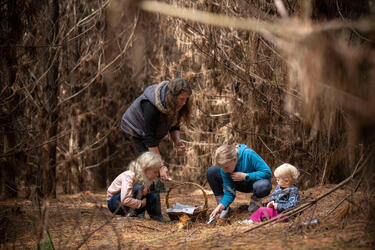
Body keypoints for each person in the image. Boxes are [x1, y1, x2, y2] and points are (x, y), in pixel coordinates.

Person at [120, 78, 192, 181]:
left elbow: (174, 124)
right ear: (172, 97)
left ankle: (154, 194)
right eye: (182, 99)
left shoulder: (177, 104)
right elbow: (150, 138)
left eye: (186, 99)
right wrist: (161, 166)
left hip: (149, 135)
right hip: (134, 130)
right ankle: (139, 194)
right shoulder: (151, 106)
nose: (184, 103)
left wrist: (177, 140)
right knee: (149, 165)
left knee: (154, 167)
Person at [208, 144, 273, 219]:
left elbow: (267, 172)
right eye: (222, 168)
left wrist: (246, 176)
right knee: (211, 171)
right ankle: (224, 208)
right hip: (239, 184)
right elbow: (230, 192)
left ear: (234, 159)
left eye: (226, 167)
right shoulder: (225, 170)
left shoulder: (248, 154)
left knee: (263, 185)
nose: (225, 171)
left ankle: (256, 200)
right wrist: (222, 205)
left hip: (256, 183)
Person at [107, 151, 164, 221]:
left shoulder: (145, 177)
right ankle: (131, 214)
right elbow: (125, 199)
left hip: (129, 202)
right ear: (145, 170)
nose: (156, 175)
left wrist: (146, 189)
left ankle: (158, 219)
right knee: (139, 187)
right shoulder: (129, 175)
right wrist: (141, 203)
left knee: (153, 195)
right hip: (114, 203)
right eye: (155, 172)